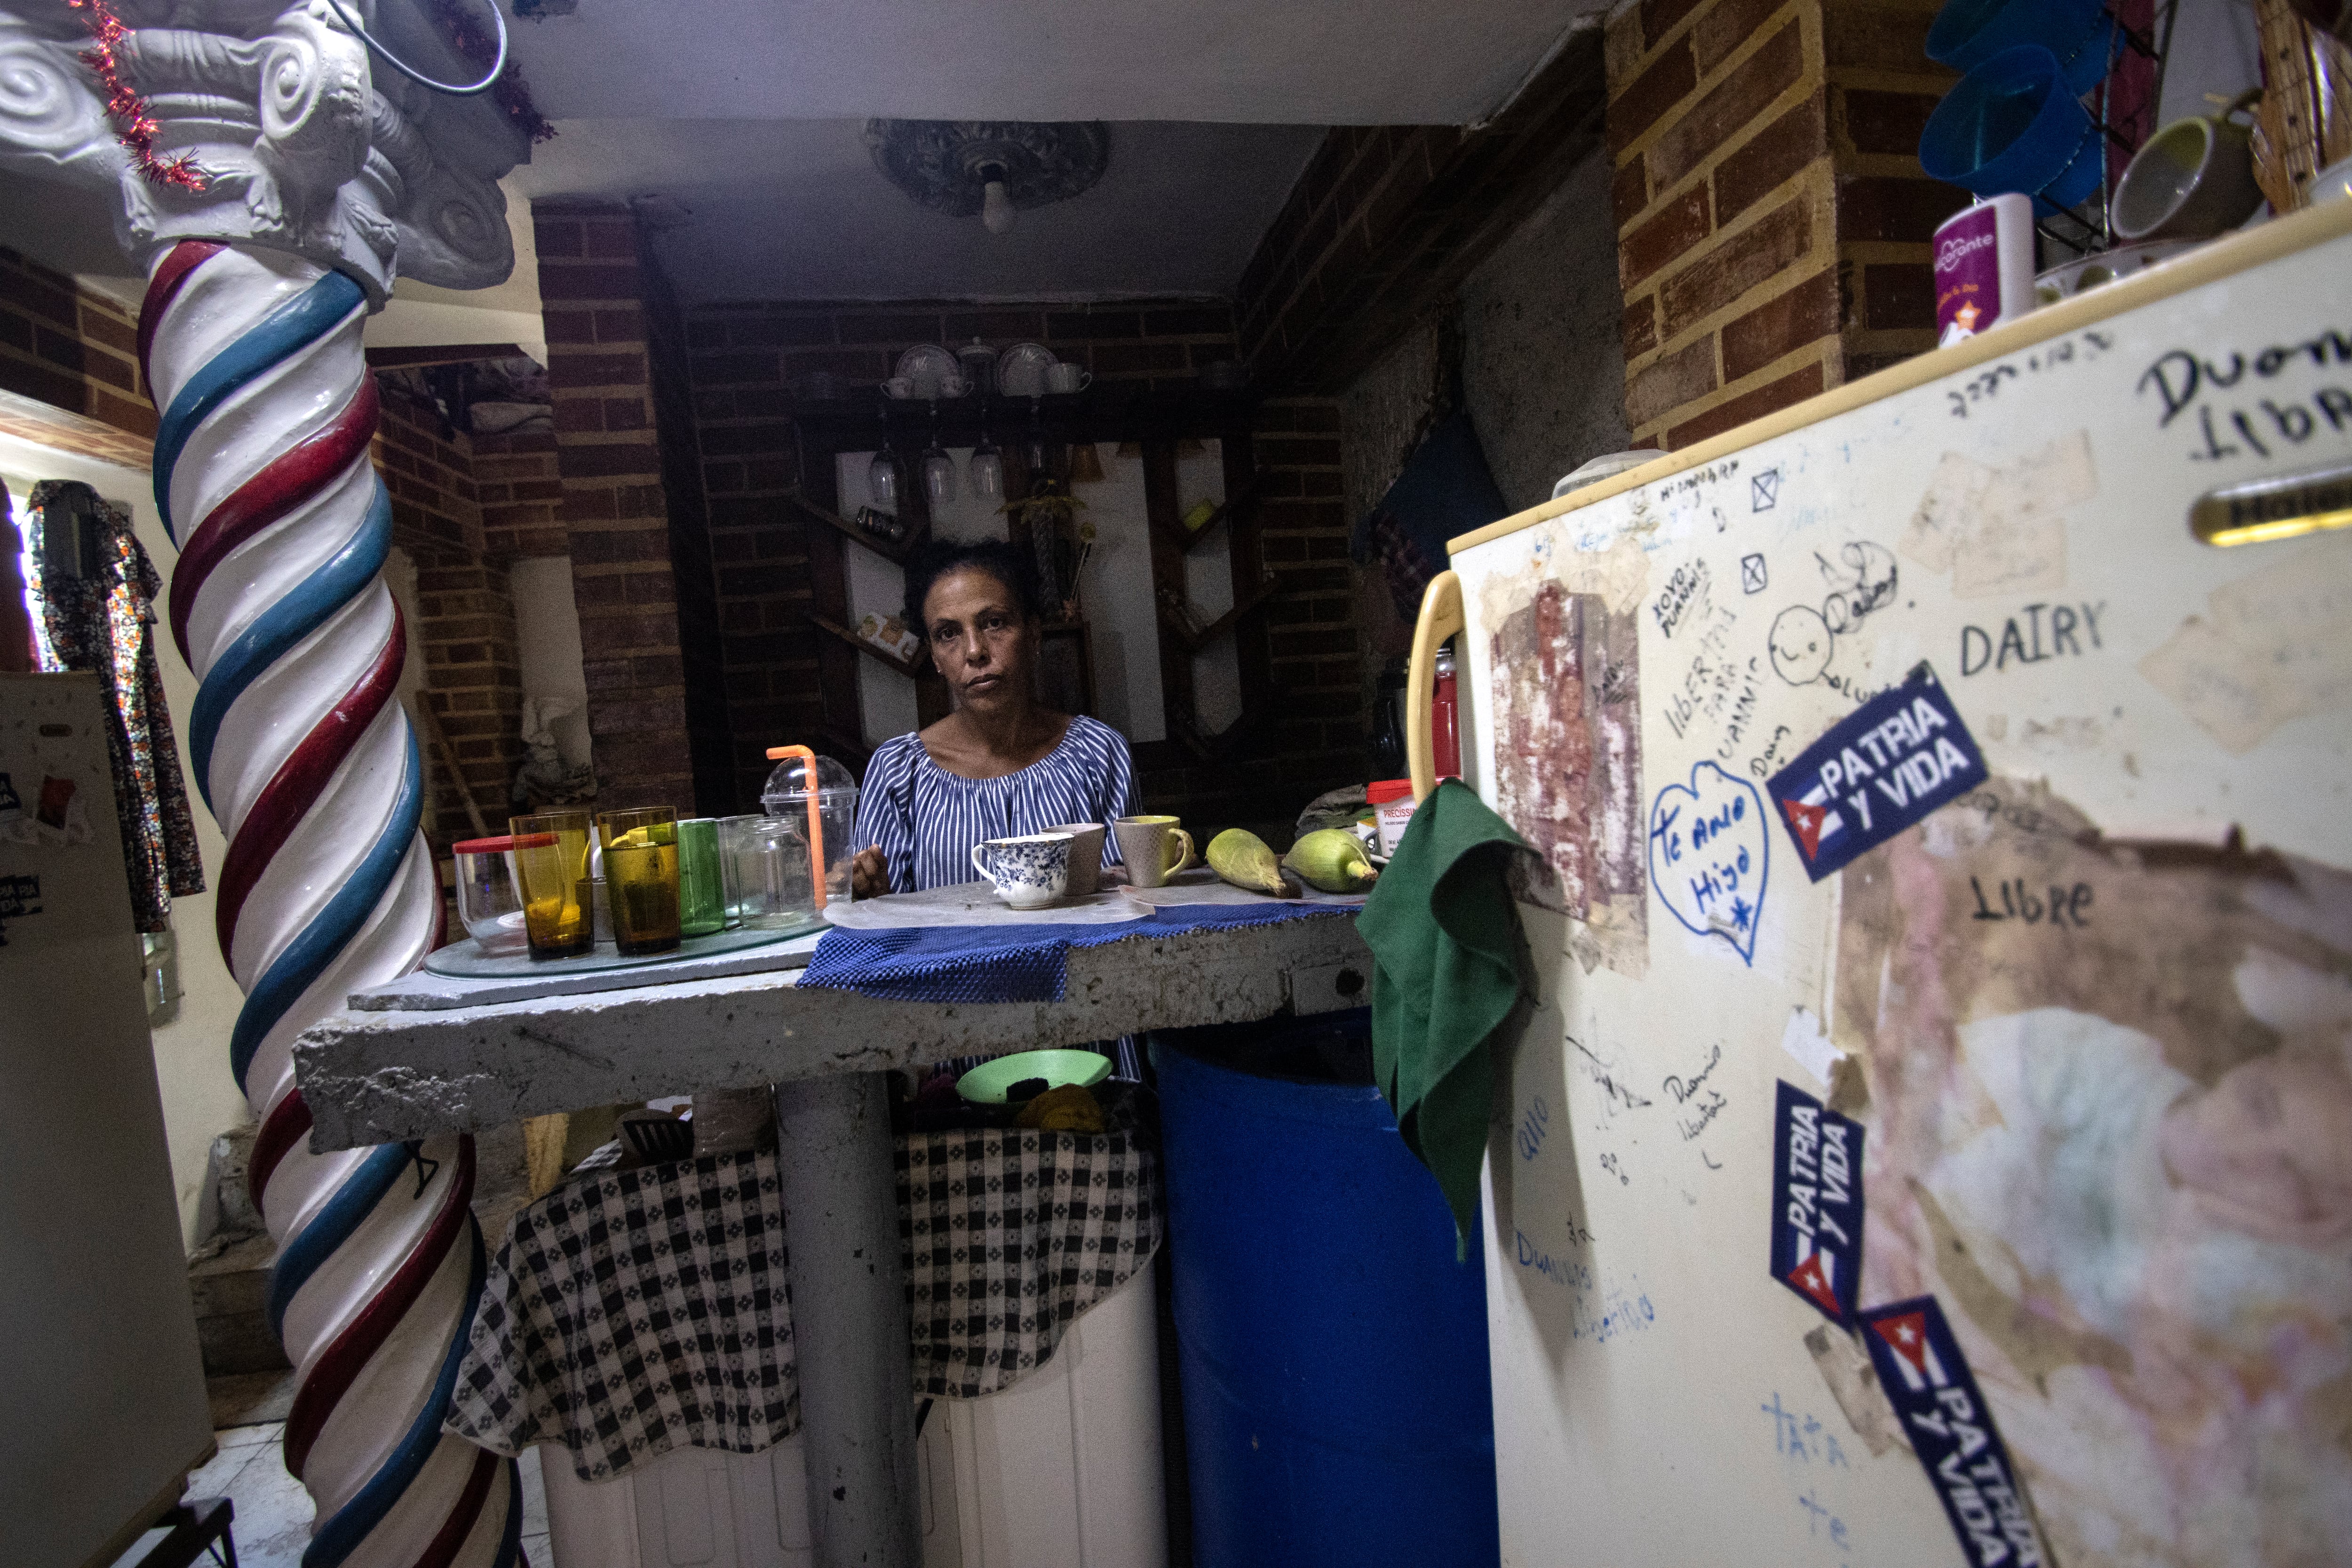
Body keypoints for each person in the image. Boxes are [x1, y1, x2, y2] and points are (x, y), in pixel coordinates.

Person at [850, 536, 1137, 897]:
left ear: (1033, 634)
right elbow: (884, 915)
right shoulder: (899, 772)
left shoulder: (1098, 753)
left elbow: (1125, 899)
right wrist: (868, 892)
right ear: (936, 657)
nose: (974, 651)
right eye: (948, 633)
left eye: (994, 623)